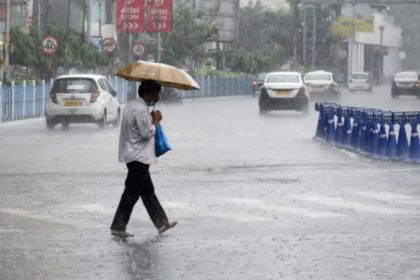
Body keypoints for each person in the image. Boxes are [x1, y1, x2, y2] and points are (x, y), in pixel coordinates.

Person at [110, 79, 177, 237]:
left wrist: (151, 118)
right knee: (132, 193)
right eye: (156, 93)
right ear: (149, 93)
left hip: (132, 154)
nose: (158, 96)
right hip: (138, 157)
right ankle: (118, 227)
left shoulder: (131, 105)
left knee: (146, 192)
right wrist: (155, 121)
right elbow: (146, 133)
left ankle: (161, 223)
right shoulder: (140, 109)